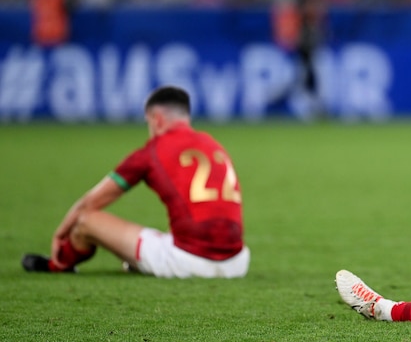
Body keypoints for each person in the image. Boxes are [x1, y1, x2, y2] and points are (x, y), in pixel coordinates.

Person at [21, 86, 249, 278]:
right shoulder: (211, 143)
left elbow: (89, 204)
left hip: (188, 261)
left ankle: (58, 265)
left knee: (85, 222)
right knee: (172, 229)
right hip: (238, 261)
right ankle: (142, 261)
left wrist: (60, 235)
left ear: (157, 119)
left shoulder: (150, 153)